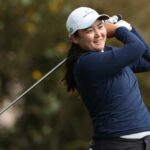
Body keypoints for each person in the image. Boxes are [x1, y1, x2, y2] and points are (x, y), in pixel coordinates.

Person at [63, 6, 150, 150]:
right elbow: (136, 48)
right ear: (74, 38)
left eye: (100, 27)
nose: (98, 34)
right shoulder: (86, 63)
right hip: (117, 145)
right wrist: (119, 30)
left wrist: (130, 29)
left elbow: (148, 59)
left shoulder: (109, 54)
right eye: (90, 30)